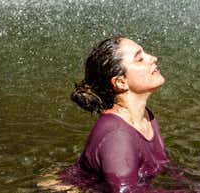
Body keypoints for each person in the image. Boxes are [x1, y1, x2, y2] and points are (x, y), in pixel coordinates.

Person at [58, 37, 169, 192]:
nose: (153, 58)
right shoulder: (117, 135)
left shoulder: (145, 116)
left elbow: (163, 167)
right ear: (120, 82)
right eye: (139, 59)